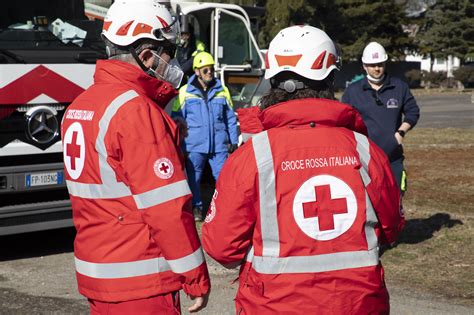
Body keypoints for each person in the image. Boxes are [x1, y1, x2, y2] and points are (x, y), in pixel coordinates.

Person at [202, 25, 405, 314]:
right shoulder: (365, 150)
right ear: (331, 78)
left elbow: (221, 247)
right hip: (358, 306)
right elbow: (392, 229)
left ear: (272, 80)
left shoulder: (253, 155)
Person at [60, 1, 210, 313]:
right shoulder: (136, 111)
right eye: (168, 49)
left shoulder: (79, 106)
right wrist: (194, 276)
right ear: (146, 55)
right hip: (142, 279)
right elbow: (166, 208)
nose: (173, 59)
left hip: (99, 274)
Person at [342, 41, 420, 191]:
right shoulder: (353, 91)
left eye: (380, 64)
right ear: (364, 66)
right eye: (372, 65)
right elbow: (344, 121)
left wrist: (400, 133)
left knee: (395, 199)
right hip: (364, 158)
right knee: (371, 203)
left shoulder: (399, 87)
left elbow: (413, 112)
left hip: (393, 157)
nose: (377, 68)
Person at [172, 51, 238, 221]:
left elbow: (230, 118)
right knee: (194, 179)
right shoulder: (185, 92)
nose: (210, 73)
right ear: (197, 72)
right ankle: (197, 209)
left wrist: (233, 140)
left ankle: (225, 210)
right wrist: (178, 144)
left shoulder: (222, 91)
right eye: (206, 70)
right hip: (194, 145)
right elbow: (176, 120)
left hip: (219, 145)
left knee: (223, 179)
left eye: (211, 70)